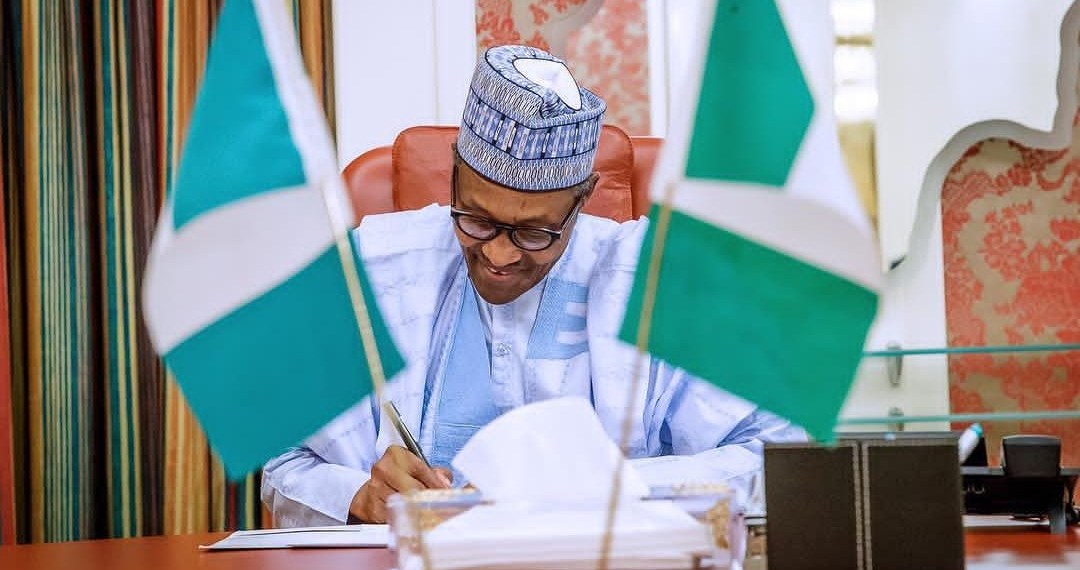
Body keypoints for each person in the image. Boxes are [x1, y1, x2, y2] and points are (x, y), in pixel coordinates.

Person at [261, 44, 801, 527]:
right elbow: (284, 462)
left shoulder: (657, 282)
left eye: (535, 233)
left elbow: (776, 453)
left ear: (582, 199)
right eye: (475, 220)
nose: (499, 255)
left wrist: (600, 490)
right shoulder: (370, 267)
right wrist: (359, 495)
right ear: (454, 174)